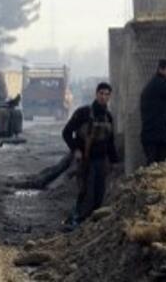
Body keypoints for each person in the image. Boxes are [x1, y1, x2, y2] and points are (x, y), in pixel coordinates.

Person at [61, 82, 119, 228]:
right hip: (85, 160)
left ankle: (92, 224)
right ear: (96, 94)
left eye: (107, 95)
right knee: (85, 192)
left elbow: (110, 142)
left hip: (101, 161)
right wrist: (76, 150)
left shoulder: (108, 117)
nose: (104, 97)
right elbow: (66, 132)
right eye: (101, 93)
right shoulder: (83, 113)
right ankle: (76, 220)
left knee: (99, 194)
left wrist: (114, 162)